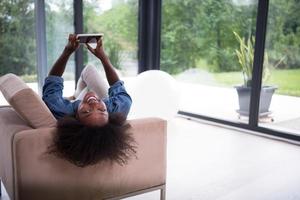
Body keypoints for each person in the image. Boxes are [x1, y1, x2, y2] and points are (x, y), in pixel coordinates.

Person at [43, 34, 136, 167]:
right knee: (89, 69)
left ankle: (76, 97)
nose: (94, 104)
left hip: (77, 103)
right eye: (102, 109)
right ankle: (77, 97)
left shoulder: (60, 109)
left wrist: (67, 51)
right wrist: (102, 56)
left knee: (88, 81)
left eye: (87, 112)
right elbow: (117, 85)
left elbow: (53, 80)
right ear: (108, 113)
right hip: (93, 99)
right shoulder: (119, 107)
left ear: (75, 118)